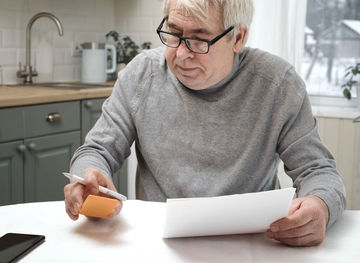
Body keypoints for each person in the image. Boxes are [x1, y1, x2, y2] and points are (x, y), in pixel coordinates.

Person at [64, 0, 346, 247]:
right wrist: (88, 175)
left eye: (200, 40)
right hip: (157, 241)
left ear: (238, 38)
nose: (182, 54)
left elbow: (318, 171)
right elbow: (96, 151)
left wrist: (320, 206)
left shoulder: (278, 84)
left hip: (252, 244)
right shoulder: (140, 75)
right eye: (174, 34)